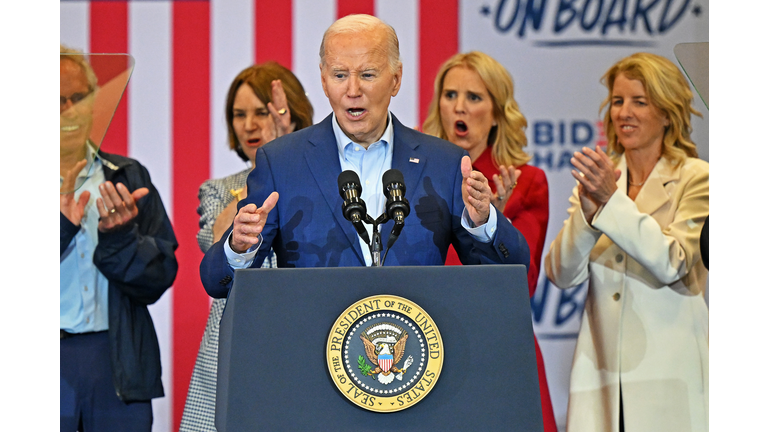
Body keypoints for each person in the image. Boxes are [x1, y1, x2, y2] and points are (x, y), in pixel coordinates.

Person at [199, 14, 530, 299]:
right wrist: (239, 248)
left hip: (419, 357)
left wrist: (484, 222)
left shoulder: (444, 163)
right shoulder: (281, 162)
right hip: (313, 359)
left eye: (368, 74)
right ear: (324, 81)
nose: (352, 89)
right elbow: (217, 282)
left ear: (396, 79)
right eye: (340, 75)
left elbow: (508, 272)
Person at [544, 52, 708, 432]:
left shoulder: (696, 178)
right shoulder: (601, 178)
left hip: (670, 376)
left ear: (667, 113)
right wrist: (586, 216)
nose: (624, 113)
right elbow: (562, 274)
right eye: (618, 101)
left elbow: (674, 263)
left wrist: (611, 202)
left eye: (640, 101)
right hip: (600, 374)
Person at [422, 51, 556, 432]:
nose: (459, 107)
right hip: (431, 346)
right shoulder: (414, 178)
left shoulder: (525, 181)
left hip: (497, 349)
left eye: (474, 97)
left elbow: (522, 284)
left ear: (497, 112)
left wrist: (494, 220)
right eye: (450, 95)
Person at [179, 62, 313, 432]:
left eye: (261, 112)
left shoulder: (319, 177)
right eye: (239, 115)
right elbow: (215, 252)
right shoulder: (218, 190)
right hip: (232, 344)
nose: (250, 125)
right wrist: (264, 173)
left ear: (293, 113)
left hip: (301, 340)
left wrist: (289, 155)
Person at [60, 45, 178, 431]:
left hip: (117, 361)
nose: (68, 109)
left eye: (78, 98)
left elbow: (160, 277)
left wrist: (120, 238)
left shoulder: (128, 176)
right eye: (54, 100)